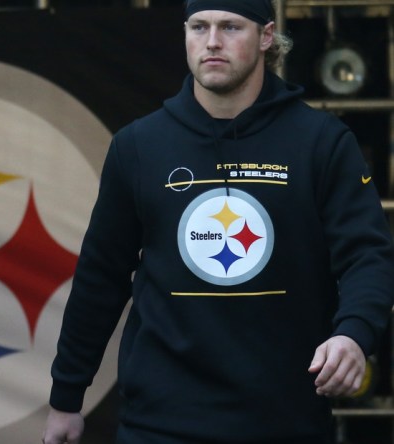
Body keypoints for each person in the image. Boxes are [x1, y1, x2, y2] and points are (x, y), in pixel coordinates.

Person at [42, 0, 394, 443]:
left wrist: (354, 335)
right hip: (160, 424)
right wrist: (66, 397)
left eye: (230, 26)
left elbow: (368, 255)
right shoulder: (139, 146)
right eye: (198, 27)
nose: (212, 42)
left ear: (267, 37)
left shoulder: (320, 143)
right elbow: (100, 277)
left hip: (286, 423)